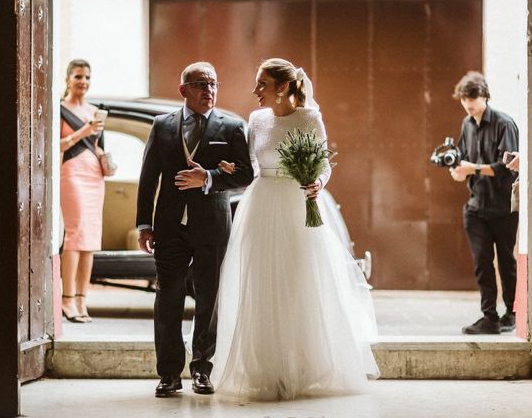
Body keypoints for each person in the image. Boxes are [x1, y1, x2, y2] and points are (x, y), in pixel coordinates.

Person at [211, 58, 379, 401]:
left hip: (297, 203)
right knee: (262, 283)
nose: (255, 91)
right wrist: (229, 166)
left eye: (262, 84)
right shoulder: (256, 120)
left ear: (283, 88)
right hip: (260, 202)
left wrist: (317, 181)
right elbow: (248, 164)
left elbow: (323, 164)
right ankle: (266, 370)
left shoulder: (309, 118)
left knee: (297, 283)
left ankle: (300, 369)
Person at [136, 62, 254, 397]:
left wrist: (212, 177)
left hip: (212, 226)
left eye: (214, 84)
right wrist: (144, 223)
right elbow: (148, 179)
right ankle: (169, 375)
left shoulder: (231, 126)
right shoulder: (162, 126)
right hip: (169, 226)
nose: (209, 91)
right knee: (168, 298)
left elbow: (246, 175)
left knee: (208, 299)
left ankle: (202, 370)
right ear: (183, 89)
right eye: (202, 84)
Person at [448, 71, 519, 334]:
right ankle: (489, 317)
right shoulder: (467, 124)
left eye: (473, 97)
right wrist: (457, 170)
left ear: (485, 96)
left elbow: (507, 167)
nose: (468, 103)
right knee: (482, 262)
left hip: (503, 206)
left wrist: (472, 169)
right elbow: (462, 158)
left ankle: (511, 313)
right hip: (476, 206)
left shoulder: (504, 123)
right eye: (465, 98)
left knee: (506, 261)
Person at [59, 59, 106, 323]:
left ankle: (82, 300)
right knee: (75, 235)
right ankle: (67, 300)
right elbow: (58, 145)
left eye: (87, 77)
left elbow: (98, 146)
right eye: (78, 77)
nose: (83, 82)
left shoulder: (95, 111)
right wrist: (84, 131)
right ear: (68, 80)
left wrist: (106, 161)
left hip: (95, 176)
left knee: (90, 240)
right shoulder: (59, 110)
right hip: (72, 174)